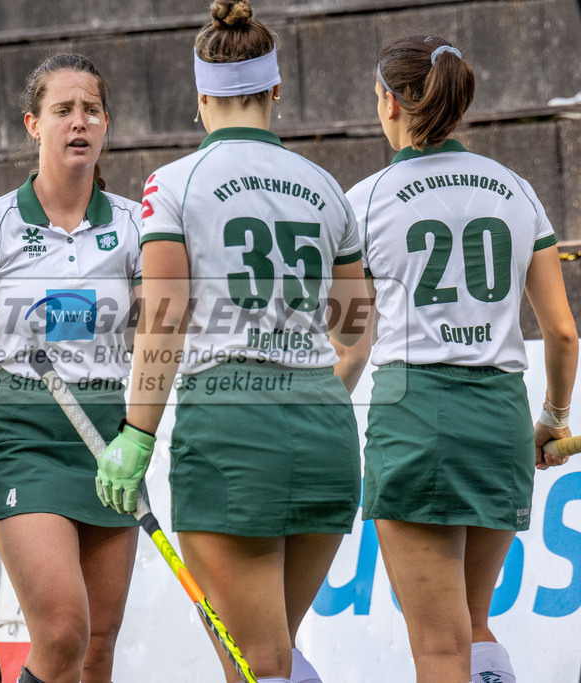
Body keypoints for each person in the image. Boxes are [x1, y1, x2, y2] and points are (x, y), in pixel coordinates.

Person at [95, 2, 366, 681]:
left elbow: (164, 318)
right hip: (326, 429)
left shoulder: (174, 183)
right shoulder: (327, 187)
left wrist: (136, 433)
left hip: (231, 427)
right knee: (274, 650)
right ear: (276, 89)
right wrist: (308, 397)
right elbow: (357, 332)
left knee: (259, 662)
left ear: (199, 97)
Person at [342, 35, 578, 683]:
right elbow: (561, 332)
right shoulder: (517, 189)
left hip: (417, 416)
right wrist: (553, 417)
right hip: (501, 417)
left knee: (439, 647)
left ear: (390, 103)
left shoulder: (363, 200)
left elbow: (349, 339)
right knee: (472, 626)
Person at [0, 53, 143, 683]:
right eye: (63, 110)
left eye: (91, 110)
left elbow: (166, 329)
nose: (79, 122)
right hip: (24, 436)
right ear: (33, 123)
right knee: (62, 633)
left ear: (105, 125)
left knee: (98, 649)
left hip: (110, 436)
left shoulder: (136, 225)